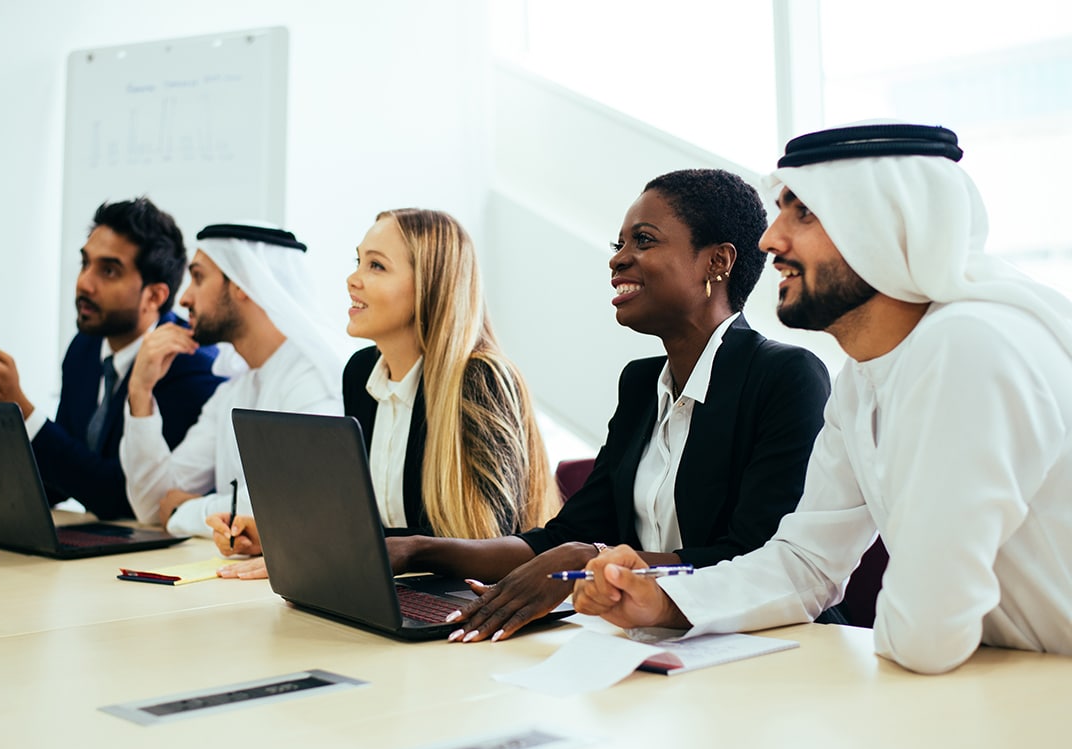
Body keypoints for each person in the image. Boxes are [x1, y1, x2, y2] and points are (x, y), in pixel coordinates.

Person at [574, 123, 1072, 674]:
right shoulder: (866, 378)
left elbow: (926, 638)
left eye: (803, 213)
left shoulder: (968, 345)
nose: (769, 240)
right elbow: (805, 563)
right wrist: (664, 599)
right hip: (1014, 685)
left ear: (886, 225)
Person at [390, 169, 833, 642]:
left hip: (776, 645)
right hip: (657, 645)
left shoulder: (785, 376)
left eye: (643, 240)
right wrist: (418, 550)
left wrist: (593, 559)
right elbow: (562, 539)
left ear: (717, 262)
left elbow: (755, 556)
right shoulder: (641, 384)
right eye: (618, 244)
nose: (618, 260)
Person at [210, 208, 560, 578]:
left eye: (376, 266)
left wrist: (325, 553)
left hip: (471, 601)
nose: (352, 279)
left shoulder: (481, 378)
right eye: (358, 261)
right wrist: (282, 540)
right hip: (397, 592)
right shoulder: (360, 372)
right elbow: (367, 525)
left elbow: (491, 538)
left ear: (430, 283)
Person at [0, 198, 223, 521]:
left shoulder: (191, 365)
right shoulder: (85, 347)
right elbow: (69, 473)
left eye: (109, 271)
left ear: (154, 296)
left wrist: (19, 407)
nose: (84, 282)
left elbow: (122, 498)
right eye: (85, 263)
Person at [120, 223, 344, 534]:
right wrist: (140, 391)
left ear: (242, 283)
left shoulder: (313, 379)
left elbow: (292, 508)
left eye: (198, 278)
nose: (184, 298)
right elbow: (151, 504)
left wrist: (186, 510)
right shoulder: (232, 389)